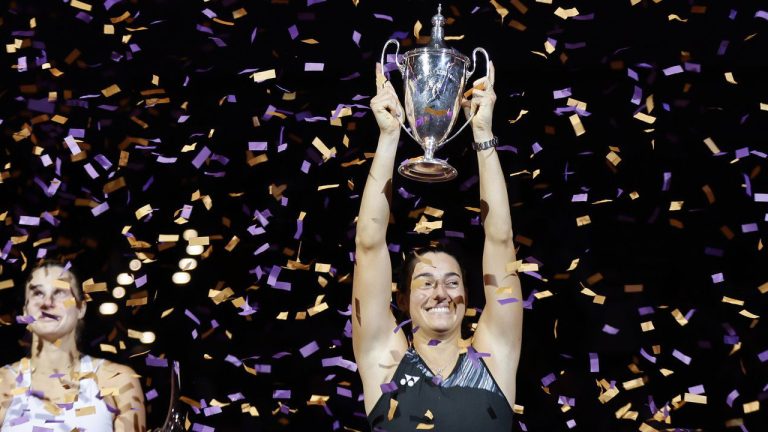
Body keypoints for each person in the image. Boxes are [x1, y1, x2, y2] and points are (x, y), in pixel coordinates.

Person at [353, 61, 523, 431]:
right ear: (402, 301)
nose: (441, 292)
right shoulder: (385, 360)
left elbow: (500, 240)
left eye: (451, 282)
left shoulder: (495, 358)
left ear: (467, 295)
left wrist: (482, 133)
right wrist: (388, 138)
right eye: (426, 282)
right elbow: (368, 245)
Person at [0, 261, 146, 432]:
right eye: (38, 293)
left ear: (81, 308)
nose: (47, 302)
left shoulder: (117, 379)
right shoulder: (3, 383)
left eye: (60, 292)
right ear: (25, 312)